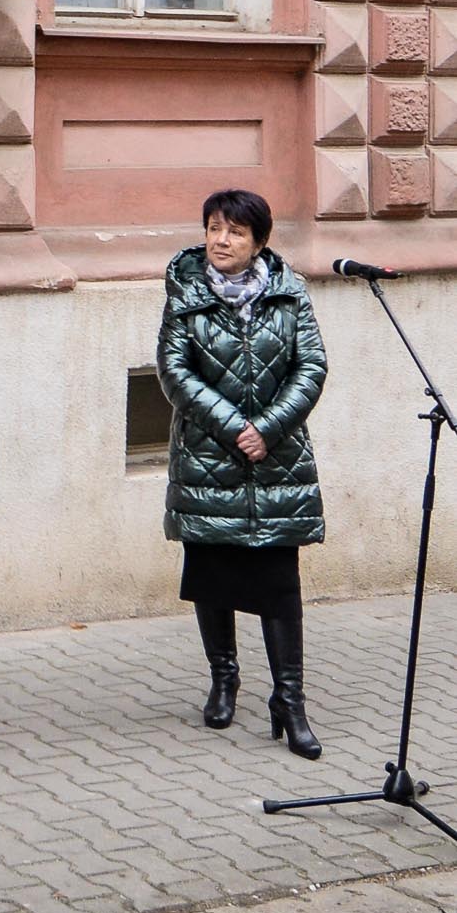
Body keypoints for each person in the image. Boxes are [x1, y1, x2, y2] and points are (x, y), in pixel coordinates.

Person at [157, 188, 328, 759]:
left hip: (277, 460)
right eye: (213, 228)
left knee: (280, 583)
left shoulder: (290, 292)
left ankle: (290, 701)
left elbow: (312, 365)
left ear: (259, 241)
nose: (220, 240)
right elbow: (174, 370)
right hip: (211, 459)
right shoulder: (185, 291)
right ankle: (224, 679)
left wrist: (269, 427)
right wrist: (236, 428)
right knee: (214, 572)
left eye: (233, 231)